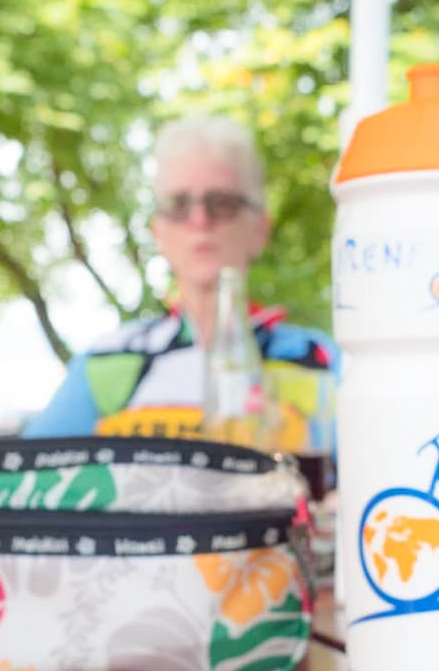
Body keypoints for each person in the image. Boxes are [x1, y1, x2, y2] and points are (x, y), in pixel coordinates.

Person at [22, 115, 337, 445]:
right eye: (178, 205)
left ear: (259, 229)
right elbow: (24, 482)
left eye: (223, 204)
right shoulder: (108, 362)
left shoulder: (316, 359)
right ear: (157, 232)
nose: (200, 220)